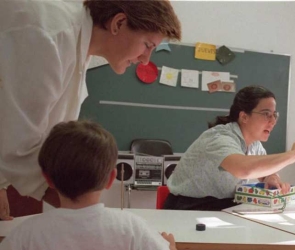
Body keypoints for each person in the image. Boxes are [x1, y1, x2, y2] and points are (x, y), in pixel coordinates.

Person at [0, 0, 181, 216]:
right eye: (148, 45)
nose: (145, 60)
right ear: (119, 23)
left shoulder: (77, 46)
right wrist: (88, 215)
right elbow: (17, 140)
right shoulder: (49, 35)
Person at [0, 120, 183, 250]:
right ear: (111, 179)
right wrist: (171, 248)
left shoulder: (24, 234)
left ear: (47, 179)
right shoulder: (129, 226)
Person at [164, 85, 295, 250]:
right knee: (255, 238)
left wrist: (272, 177)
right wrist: (292, 155)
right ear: (243, 116)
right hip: (188, 209)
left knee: (278, 238)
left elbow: (260, 171)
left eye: (275, 115)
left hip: (220, 205)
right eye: (266, 114)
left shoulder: (254, 145)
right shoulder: (219, 137)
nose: (272, 121)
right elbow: (242, 170)